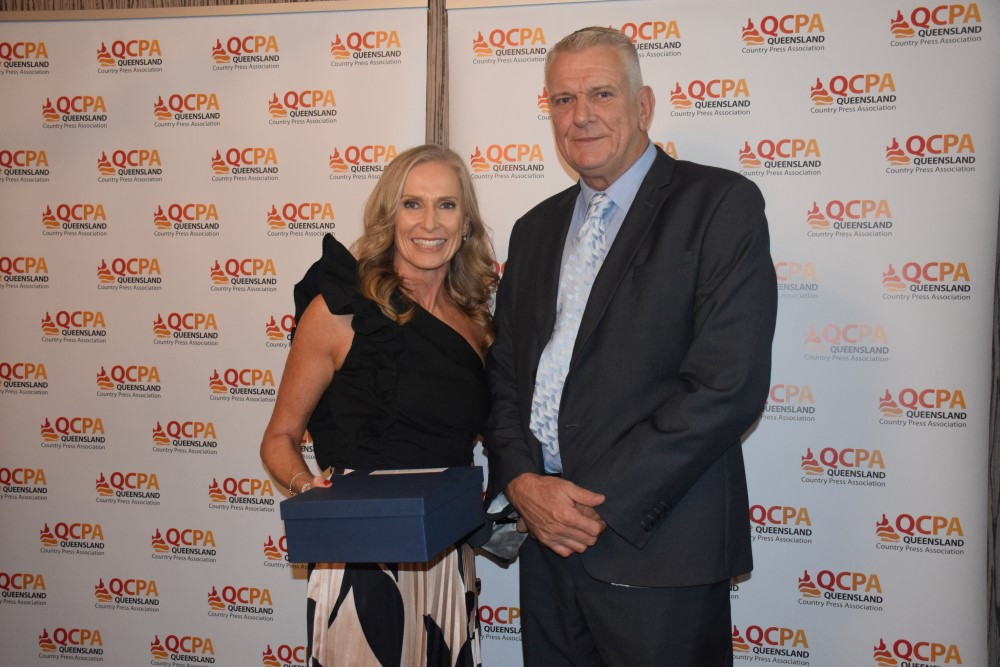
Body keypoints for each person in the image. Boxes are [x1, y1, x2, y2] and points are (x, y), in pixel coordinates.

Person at [483, 27, 778, 666]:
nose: (580, 115)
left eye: (601, 93)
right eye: (562, 99)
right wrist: (524, 482)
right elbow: (505, 375)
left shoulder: (719, 204)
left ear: (643, 106)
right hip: (547, 547)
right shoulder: (534, 229)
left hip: (658, 546)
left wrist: (587, 502)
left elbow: (727, 385)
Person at [260, 144, 498, 667]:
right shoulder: (341, 311)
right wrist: (308, 488)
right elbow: (278, 439)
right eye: (412, 204)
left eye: (447, 205)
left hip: (446, 557)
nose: (429, 222)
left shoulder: (477, 325)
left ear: (466, 223)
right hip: (361, 559)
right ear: (389, 217)